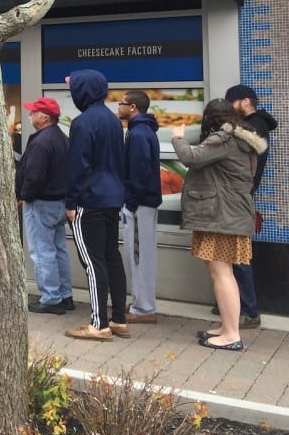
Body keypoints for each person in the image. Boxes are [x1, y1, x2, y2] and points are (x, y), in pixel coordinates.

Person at [172, 99, 266, 352]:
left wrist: (178, 137)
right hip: (229, 214)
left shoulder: (222, 140)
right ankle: (227, 328)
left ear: (211, 118)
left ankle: (231, 335)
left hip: (222, 216)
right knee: (222, 273)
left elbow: (190, 157)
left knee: (222, 273)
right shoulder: (242, 140)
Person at [64, 69, 128, 342]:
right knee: (111, 256)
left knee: (92, 262)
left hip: (88, 201)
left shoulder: (82, 123)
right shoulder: (113, 121)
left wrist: (71, 201)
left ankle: (98, 323)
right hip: (113, 198)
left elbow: (78, 166)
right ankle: (118, 320)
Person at [219, 84, 278, 329]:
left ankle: (250, 310)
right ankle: (234, 302)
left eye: (230, 103)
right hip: (239, 196)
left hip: (240, 197)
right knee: (232, 254)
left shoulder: (257, 126)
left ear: (245, 102)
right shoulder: (253, 124)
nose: (227, 109)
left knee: (239, 254)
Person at [16, 97, 73, 314]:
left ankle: (51, 298)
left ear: (44, 117)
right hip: (59, 201)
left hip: (41, 202)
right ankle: (65, 294)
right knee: (58, 250)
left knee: (42, 252)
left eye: (33, 112)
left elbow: (34, 174)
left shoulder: (41, 141)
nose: (29, 115)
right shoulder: (61, 137)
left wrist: (22, 195)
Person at [118, 90, 162, 324]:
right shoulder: (144, 130)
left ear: (133, 107)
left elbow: (139, 170)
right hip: (144, 201)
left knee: (138, 256)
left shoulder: (138, 133)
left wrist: (131, 203)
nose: (119, 107)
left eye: (122, 103)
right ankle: (141, 303)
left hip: (139, 203)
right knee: (141, 254)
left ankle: (143, 308)